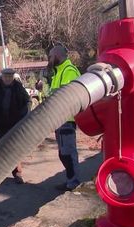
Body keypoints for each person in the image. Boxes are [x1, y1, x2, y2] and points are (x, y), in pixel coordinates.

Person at [0, 68, 31, 184]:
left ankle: (17, 174)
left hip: (14, 125)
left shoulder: (18, 88)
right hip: (0, 125)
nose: (8, 78)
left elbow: (28, 101)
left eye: (10, 76)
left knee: (15, 150)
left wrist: (25, 114)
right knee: (0, 150)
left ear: (13, 77)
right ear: (2, 77)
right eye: (6, 76)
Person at [47, 45, 81, 191]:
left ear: (57, 56)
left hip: (67, 119)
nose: (49, 59)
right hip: (59, 120)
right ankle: (70, 181)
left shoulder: (69, 71)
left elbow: (66, 96)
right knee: (63, 154)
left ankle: (73, 182)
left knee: (68, 152)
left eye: (50, 56)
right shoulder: (58, 72)